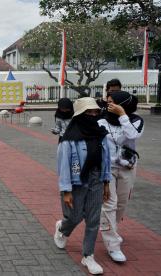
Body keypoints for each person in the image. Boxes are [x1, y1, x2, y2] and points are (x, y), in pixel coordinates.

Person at [54, 97, 111, 275]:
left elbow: (106, 160)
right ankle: (62, 229)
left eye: (95, 112)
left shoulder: (101, 134)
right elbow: (63, 166)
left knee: (93, 219)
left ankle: (88, 255)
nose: (93, 115)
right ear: (79, 115)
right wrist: (66, 191)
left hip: (96, 179)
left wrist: (106, 182)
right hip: (76, 181)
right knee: (74, 216)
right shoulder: (69, 139)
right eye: (89, 112)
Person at [98, 91, 144, 263]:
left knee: (121, 204)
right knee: (109, 203)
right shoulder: (101, 120)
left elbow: (133, 135)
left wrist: (122, 115)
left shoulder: (136, 121)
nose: (109, 105)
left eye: (113, 103)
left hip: (127, 167)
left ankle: (111, 230)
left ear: (123, 104)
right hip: (106, 168)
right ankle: (113, 245)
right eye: (107, 102)